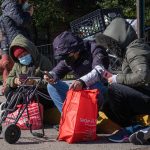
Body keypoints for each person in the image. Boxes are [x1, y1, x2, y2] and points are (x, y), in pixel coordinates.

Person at [94, 17, 150, 143]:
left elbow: (142, 76)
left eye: (112, 44)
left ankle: (130, 128)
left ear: (121, 38)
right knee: (106, 102)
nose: (110, 48)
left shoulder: (134, 50)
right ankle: (134, 126)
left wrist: (116, 78)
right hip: (145, 94)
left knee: (114, 89)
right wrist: (113, 76)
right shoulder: (131, 50)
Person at [44, 31, 109, 113]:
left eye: (67, 56)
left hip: (100, 88)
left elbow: (99, 71)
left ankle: (90, 118)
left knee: (94, 85)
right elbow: (57, 70)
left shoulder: (95, 49)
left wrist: (82, 81)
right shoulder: (69, 56)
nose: (65, 60)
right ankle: (68, 118)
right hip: (81, 89)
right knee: (51, 86)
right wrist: (51, 75)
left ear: (77, 50)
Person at [4, 34, 53, 109]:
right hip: (25, 91)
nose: (23, 58)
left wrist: (34, 82)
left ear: (31, 51)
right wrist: (15, 81)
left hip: (41, 92)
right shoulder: (17, 64)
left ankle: (13, 108)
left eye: (25, 54)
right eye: (20, 57)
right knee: (8, 90)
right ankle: (15, 108)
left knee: (23, 96)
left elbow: (51, 81)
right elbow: (9, 79)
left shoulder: (43, 61)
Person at [0, 0, 33, 94]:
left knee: (17, 68)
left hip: (13, 44)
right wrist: (28, 13)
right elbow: (22, 21)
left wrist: (4, 50)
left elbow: (4, 35)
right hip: (19, 42)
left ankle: (9, 89)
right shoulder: (13, 5)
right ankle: (23, 90)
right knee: (23, 67)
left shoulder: (4, 13)